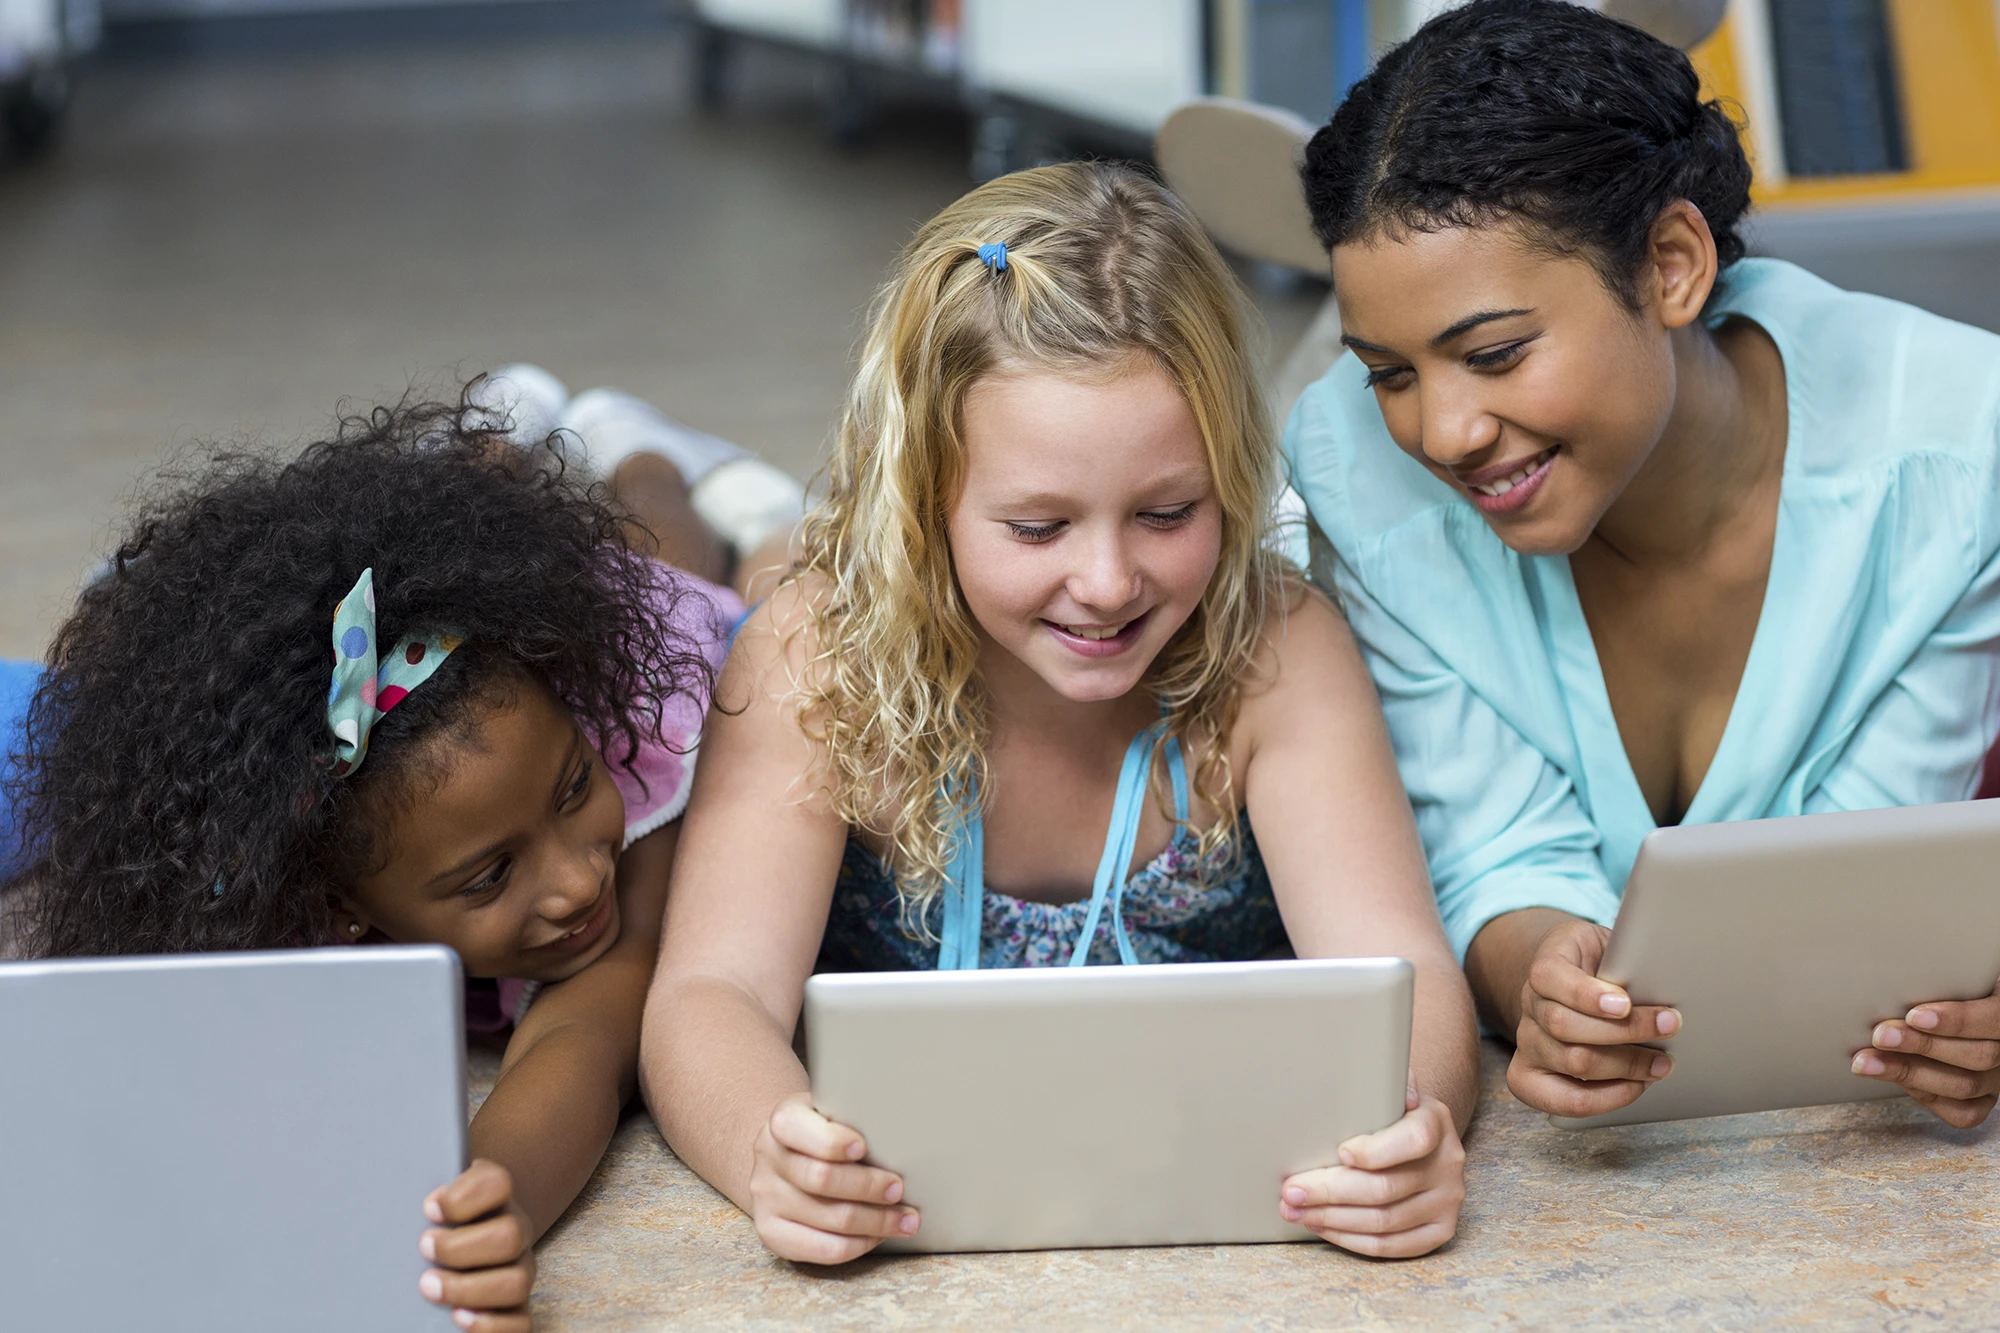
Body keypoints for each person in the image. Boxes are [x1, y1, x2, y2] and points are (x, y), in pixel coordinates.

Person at [641, 161, 1480, 1265]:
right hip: (809, 599)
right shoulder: (814, 659)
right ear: (921, 499)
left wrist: (1408, 1126)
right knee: (692, 576)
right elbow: (710, 989)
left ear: (1229, 478)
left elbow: (1403, 972)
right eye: (1036, 526)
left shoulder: (1274, 646)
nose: (1105, 581)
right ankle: (684, 472)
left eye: (1166, 511)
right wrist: (767, 1147)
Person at [1286, 0, 2000, 1127]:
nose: (1442, 432)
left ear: (1670, 264)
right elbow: (1485, 848)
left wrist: (1939, 1011)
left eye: (1492, 353)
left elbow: (1874, 881)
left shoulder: (1959, 450)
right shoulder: (1351, 467)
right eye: (1389, 373)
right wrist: (1541, 982)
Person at [0, 388, 776, 1332]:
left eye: (575, 792)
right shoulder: (278, 869)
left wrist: (496, 1197)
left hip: (659, 639)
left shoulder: (629, 791)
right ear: (343, 908)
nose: (579, 878)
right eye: (490, 875)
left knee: (672, 563)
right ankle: (496, 439)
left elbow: (589, 1037)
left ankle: (645, 450)